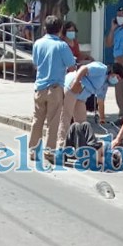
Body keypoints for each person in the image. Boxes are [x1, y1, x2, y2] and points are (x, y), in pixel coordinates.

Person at [28, 15, 77, 161]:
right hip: (55, 88)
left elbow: (35, 63)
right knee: (53, 122)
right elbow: (71, 67)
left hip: (39, 87)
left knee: (37, 120)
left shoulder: (38, 43)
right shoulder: (62, 46)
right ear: (60, 29)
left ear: (45, 28)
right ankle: (49, 152)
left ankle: (33, 151)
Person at [56, 62, 123, 148]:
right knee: (66, 117)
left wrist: (102, 117)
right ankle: (61, 146)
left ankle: (80, 146)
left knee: (82, 122)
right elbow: (84, 68)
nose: (116, 80)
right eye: (117, 77)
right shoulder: (101, 69)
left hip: (81, 97)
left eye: (119, 79)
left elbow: (100, 101)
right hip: (72, 87)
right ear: (113, 71)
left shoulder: (105, 84)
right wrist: (76, 82)